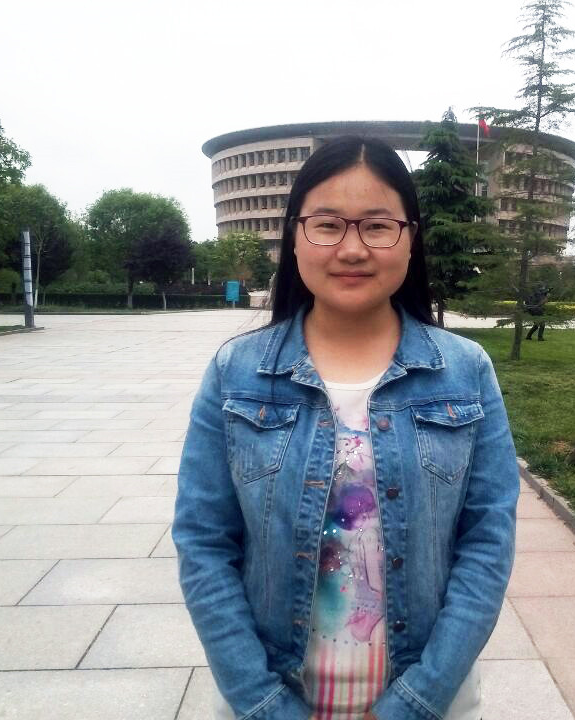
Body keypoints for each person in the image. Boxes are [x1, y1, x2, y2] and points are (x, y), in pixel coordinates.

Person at [173, 135, 519, 720]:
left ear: (410, 239)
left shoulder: (466, 372)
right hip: (267, 697)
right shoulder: (235, 372)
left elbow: (487, 545)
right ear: (294, 236)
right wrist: (264, 704)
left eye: (378, 226)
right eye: (327, 225)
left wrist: (415, 703)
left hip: (431, 699)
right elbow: (204, 544)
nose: (352, 248)